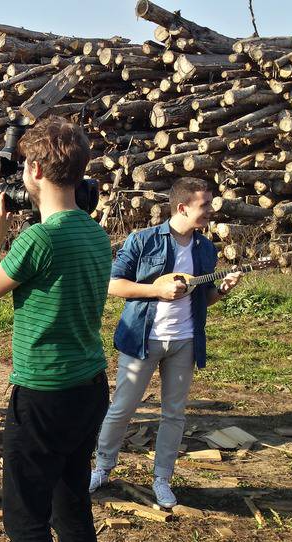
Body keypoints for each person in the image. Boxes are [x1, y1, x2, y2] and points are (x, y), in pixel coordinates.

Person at [0, 116, 111, 542]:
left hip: (42, 393)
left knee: (25, 520)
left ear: (33, 171)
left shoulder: (39, 239)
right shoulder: (95, 233)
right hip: (89, 386)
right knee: (71, 508)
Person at [89, 177, 243, 508]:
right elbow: (112, 285)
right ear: (183, 207)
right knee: (122, 408)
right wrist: (156, 291)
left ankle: (162, 478)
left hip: (185, 341)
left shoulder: (205, 248)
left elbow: (203, 298)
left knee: (174, 413)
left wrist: (223, 291)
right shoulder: (143, 240)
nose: (210, 212)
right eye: (205, 206)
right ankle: (102, 468)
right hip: (143, 338)